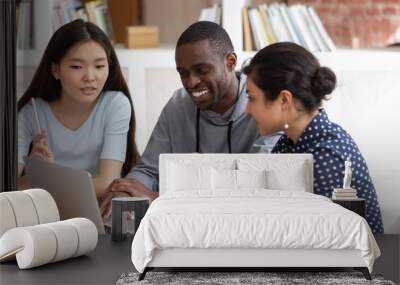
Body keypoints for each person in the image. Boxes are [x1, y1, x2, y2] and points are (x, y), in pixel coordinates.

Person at [101, 21, 280, 212]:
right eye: (183, 73)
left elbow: (248, 192)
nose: (191, 82)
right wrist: (124, 193)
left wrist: (157, 199)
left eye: (202, 70)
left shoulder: (263, 106)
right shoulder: (178, 104)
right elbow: (149, 170)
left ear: (230, 62)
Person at [244, 42, 384, 233]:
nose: (247, 110)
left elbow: (323, 240)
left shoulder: (327, 156)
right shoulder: (289, 142)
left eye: (252, 98)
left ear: (284, 100)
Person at [17, 19, 139, 204]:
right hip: (44, 213)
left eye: (99, 66)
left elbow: (107, 182)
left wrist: (45, 182)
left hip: (95, 212)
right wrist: (34, 171)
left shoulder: (115, 104)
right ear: (55, 70)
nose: (90, 77)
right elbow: (9, 187)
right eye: (76, 67)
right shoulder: (31, 113)